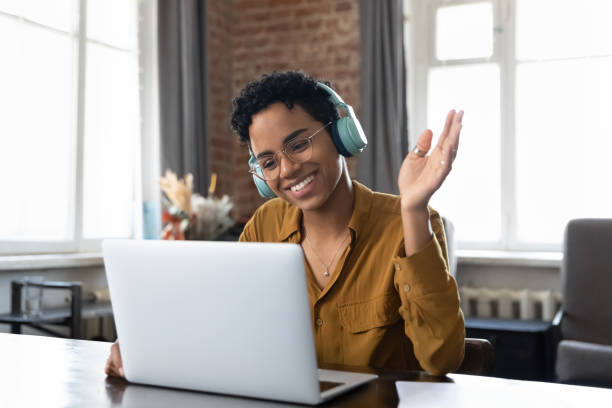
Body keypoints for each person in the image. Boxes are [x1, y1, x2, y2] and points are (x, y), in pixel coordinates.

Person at [105, 71, 465, 378]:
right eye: (269, 163)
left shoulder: (409, 223)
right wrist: (148, 346)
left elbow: (441, 358)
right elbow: (227, 323)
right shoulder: (265, 227)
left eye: (299, 144)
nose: (288, 169)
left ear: (341, 135)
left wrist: (414, 208)